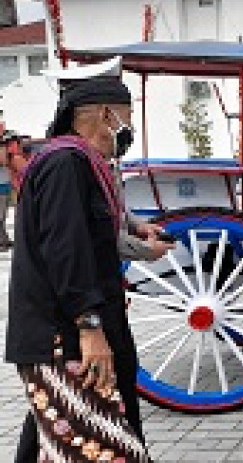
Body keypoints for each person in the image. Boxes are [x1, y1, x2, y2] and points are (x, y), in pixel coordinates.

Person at [6, 77, 150, 462]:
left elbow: (93, 226)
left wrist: (135, 231)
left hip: (76, 330)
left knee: (57, 443)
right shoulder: (65, 163)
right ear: (106, 115)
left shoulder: (79, 162)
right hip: (64, 336)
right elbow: (66, 251)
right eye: (127, 117)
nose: (128, 128)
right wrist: (89, 328)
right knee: (104, 447)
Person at [0, 122, 14, 250]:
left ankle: (4, 241)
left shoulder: (4, 144)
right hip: (2, 186)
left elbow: (4, 162)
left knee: (2, 216)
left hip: (4, 185)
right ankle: (4, 241)